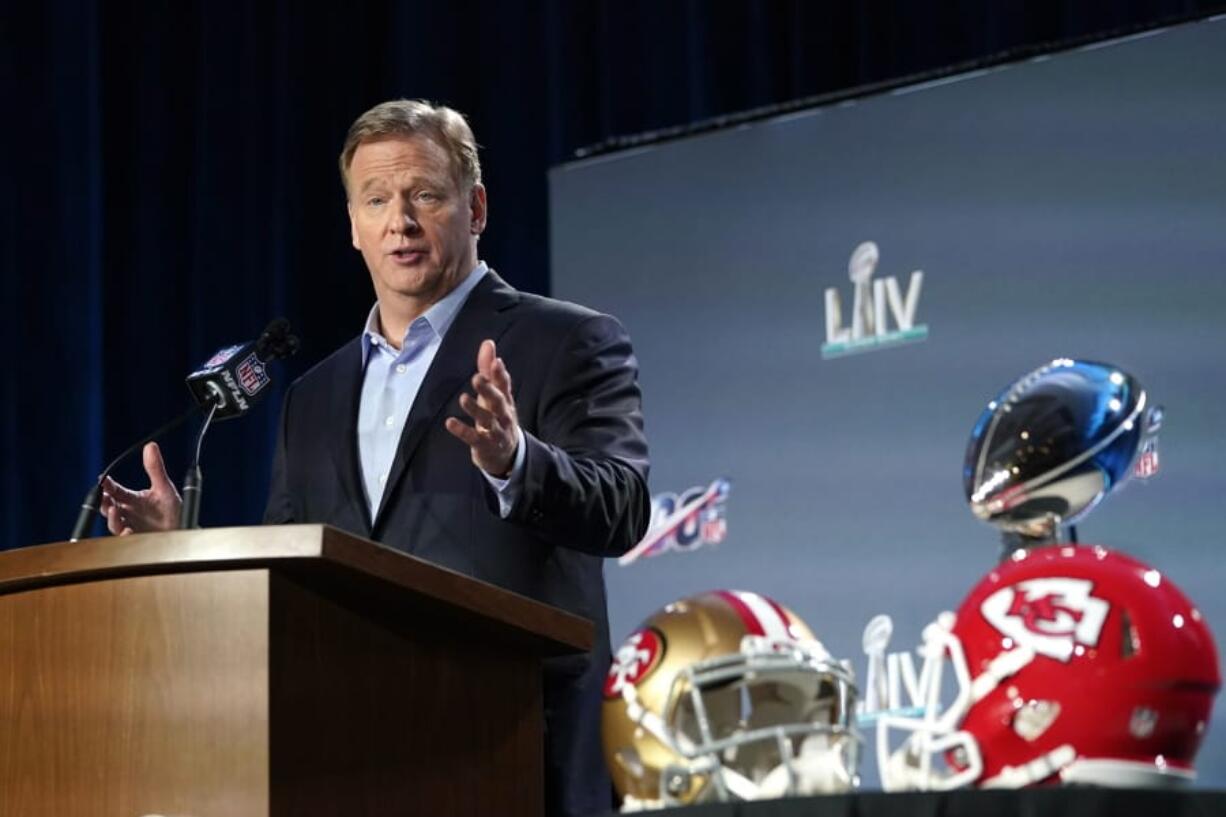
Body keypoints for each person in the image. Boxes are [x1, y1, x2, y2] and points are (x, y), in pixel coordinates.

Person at [100, 98, 651, 817]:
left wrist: (517, 461)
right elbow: (290, 575)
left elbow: (624, 507)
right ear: (353, 227)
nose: (402, 220)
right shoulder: (316, 395)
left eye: (425, 194)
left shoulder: (568, 341)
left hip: (516, 755)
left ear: (475, 207)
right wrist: (185, 554)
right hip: (356, 765)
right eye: (377, 199)